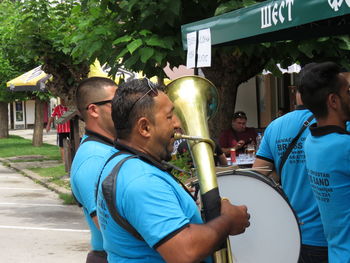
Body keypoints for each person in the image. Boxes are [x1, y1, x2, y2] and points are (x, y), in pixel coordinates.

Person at [96, 78, 250, 262]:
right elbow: (184, 252)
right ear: (144, 127)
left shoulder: (119, 162)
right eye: (169, 116)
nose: (178, 124)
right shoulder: (141, 180)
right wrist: (228, 221)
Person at [253, 89, 328, 262]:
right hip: (327, 235)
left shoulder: (275, 126)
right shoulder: (337, 122)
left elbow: (259, 174)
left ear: (297, 92)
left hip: (290, 229)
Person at [299, 62, 350, 263]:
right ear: (333, 100)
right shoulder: (344, 146)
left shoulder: (311, 141)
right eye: (348, 91)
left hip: (337, 253)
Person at [70, 77, 118, 263]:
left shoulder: (105, 150)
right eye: (116, 102)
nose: (125, 107)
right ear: (93, 110)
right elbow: (108, 226)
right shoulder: (94, 159)